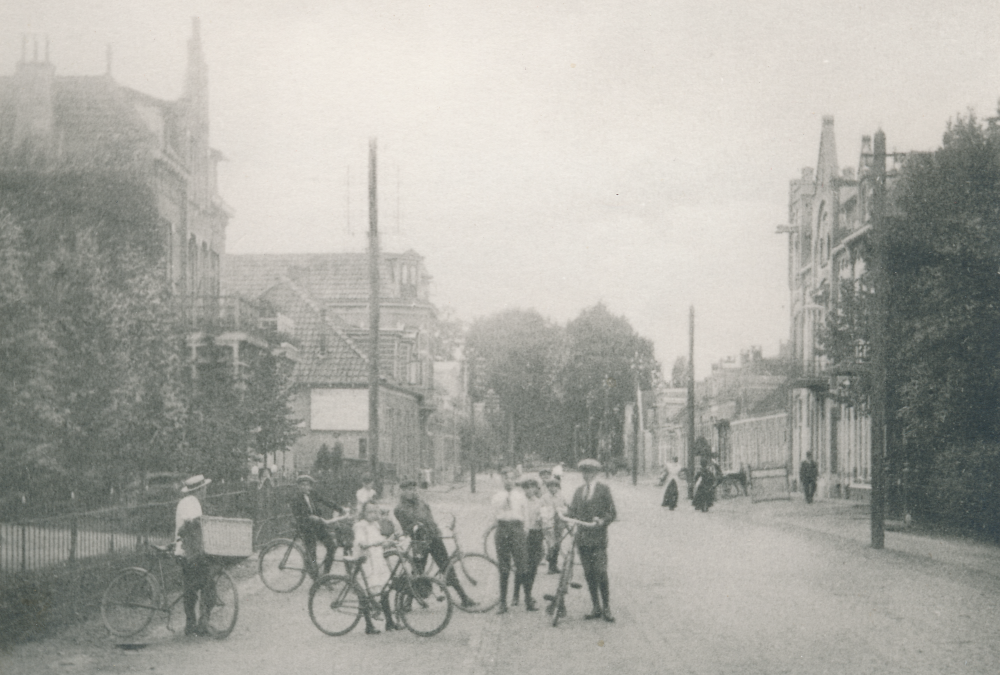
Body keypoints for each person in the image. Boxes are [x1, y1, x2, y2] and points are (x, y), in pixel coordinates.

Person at [393, 479, 476, 608]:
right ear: (402, 491)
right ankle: (407, 602)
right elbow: (407, 529)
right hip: (419, 542)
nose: (413, 492)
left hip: (434, 539)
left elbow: (430, 520)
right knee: (418, 572)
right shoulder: (399, 509)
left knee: (447, 567)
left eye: (414, 489)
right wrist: (417, 528)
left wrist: (436, 531)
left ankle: (464, 598)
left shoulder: (422, 503)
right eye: (409, 489)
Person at [566, 458, 617, 622]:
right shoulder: (579, 491)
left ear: (596, 473)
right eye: (584, 472)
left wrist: (602, 521)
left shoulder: (603, 490)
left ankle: (607, 607)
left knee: (601, 572)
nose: (586, 475)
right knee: (589, 574)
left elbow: (612, 513)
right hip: (582, 540)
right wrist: (562, 513)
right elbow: (573, 512)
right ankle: (596, 606)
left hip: (598, 539)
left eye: (589, 472)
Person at [175, 474, 214, 636]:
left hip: (192, 550)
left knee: (194, 587)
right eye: (204, 488)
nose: (205, 490)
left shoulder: (192, 502)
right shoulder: (190, 503)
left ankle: (194, 623)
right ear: (199, 490)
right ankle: (196, 623)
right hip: (187, 551)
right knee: (201, 585)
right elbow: (192, 526)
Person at [353, 500, 399, 634]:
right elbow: (360, 541)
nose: (372, 514)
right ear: (363, 513)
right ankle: (369, 625)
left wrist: (389, 542)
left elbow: (380, 542)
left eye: (375, 512)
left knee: (384, 590)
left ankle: (389, 622)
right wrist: (366, 543)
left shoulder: (375, 525)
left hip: (377, 561)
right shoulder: (360, 525)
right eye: (369, 512)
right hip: (366, 562)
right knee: (366, 594)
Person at [290, 474, 346, 579]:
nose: (305, 487)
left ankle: (326, 575)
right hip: (305, 527)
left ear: (311, 486)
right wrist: (312, 518)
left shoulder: (313, 494)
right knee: (312, 552)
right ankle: (315, 578)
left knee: (332, 546)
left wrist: (340, 509)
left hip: (317, 525)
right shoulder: (295, 498)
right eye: (302, 485)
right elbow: (301, 516)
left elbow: (326, 501)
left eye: (307, 485)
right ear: (298, 486)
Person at [491, 466, 528, 614]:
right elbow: (494, 515)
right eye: (506, 478)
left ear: (515, 479)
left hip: (517, 529)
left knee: (522, 565)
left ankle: (527, 599)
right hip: (503, 529)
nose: (509, 481)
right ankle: (502, 602)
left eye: (512, 478)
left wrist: (524, 531)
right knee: (504, 568)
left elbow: (526, 516)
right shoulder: (497, 497)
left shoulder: (520, 496)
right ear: (502, 479)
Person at [512, 477, 543, 611]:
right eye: (526, 487)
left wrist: (543, 519)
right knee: (521, 566)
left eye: (532, 487)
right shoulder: (519, 501)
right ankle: (516, 594)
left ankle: (527, 595)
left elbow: (544, 519)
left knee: (533, 566)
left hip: (536, 535)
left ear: (536, 488)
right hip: (522, 536)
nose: (529, 490)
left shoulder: (540, 502)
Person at [541, 477, 567, 573]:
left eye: (555, 486)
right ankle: (550, 567)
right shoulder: (544, 497)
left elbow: (567, 507)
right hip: (548, 524)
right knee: (550, 544)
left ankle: (554, 565)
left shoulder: (561, 497)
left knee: (558, 544)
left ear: (558, 487)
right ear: (548, 487)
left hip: (559, 523)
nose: (553, 488)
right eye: (551, 486)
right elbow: (542, 509)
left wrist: (562, 510)